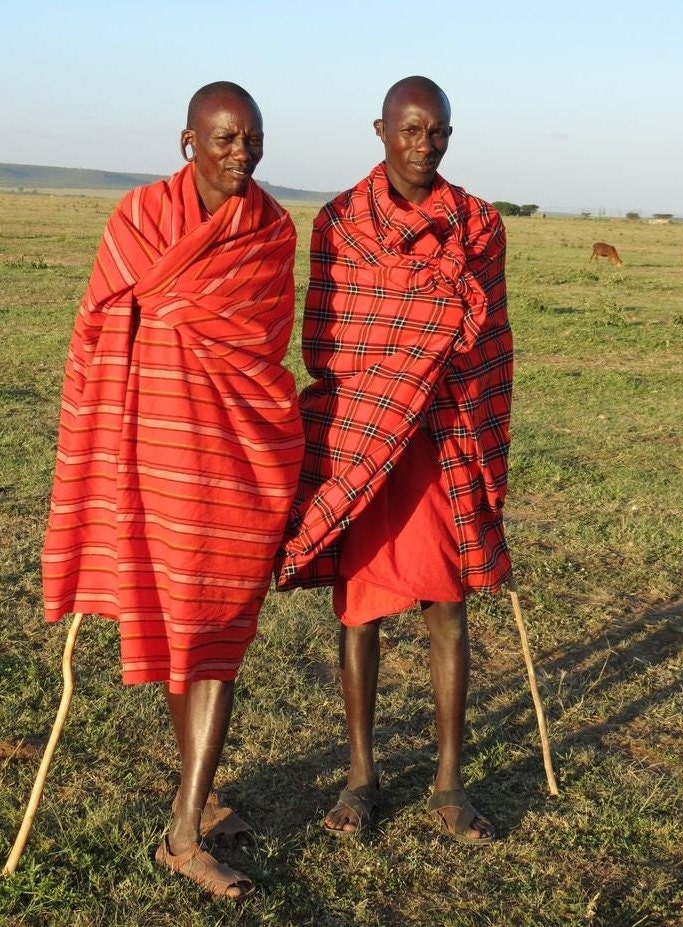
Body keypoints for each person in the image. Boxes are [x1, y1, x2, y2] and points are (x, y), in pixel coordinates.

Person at [41, 81, 304, 898]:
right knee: (181, 639)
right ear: (187, 141)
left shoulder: (272, 229)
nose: (241, 154)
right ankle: (194, 810)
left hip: (234, 463)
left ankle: (186, 825)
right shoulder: (140, 220)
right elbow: (96, 326)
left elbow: (262, 344)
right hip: (155, 461)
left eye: (252, 139)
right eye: (223, 139)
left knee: (215, 636)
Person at [276, 76, 512, 845]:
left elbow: (487, 346)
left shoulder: (476, 223)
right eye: (410, 130)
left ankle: (449, 782)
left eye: (437, 131)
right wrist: (399, 371)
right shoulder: (341, 221)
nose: (424, 145)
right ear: (379, 129)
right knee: (360, 611)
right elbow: (327, 342)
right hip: (369, 434)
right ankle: (360, 776)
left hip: (440, 435)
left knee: (447, 604)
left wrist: (453, 395)